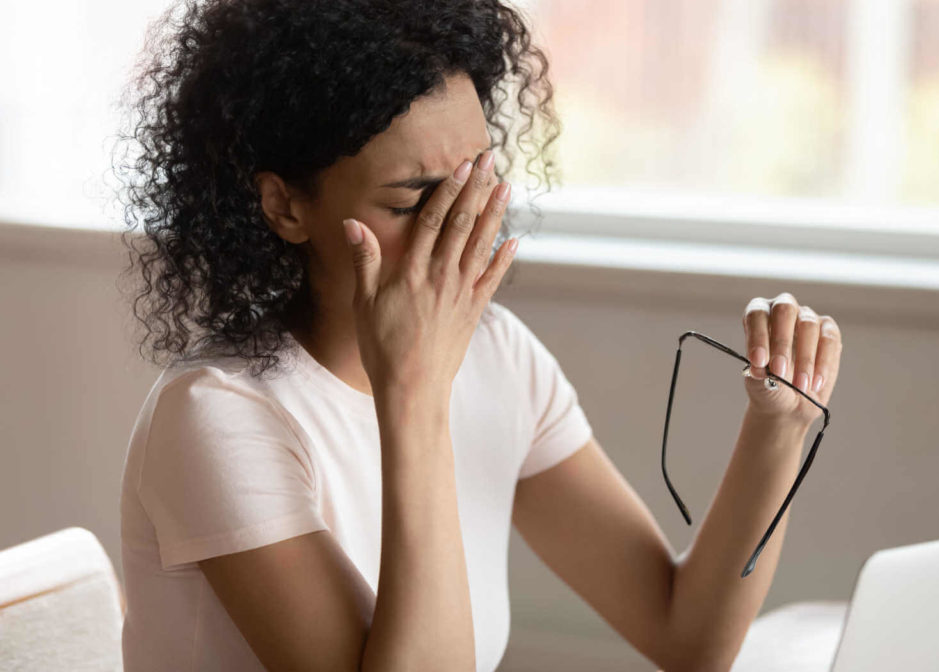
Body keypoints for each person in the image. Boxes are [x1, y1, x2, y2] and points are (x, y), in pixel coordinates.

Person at [114, 1, 844, 671]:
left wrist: (779, 427)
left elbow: (688, 635)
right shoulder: (218, 416)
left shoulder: (497, 356)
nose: (468, 222)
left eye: (478, 180)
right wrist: (415, 389)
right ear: (284, 207)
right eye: (418, 200)